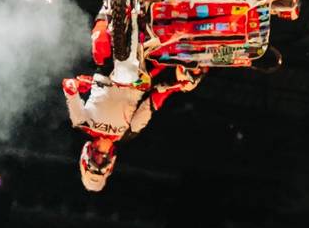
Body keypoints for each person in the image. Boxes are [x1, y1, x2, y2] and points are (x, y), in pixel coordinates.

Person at [63, 63, 205, 192]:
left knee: (100, 40)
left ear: (85, 159)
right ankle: (195, 53)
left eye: (95, 163)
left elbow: (68, 85)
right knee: (185, 75)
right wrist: (177, 86)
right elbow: (151, 104)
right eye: (101, 165)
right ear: (109, 167)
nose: (100, 160)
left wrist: (80, 83)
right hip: (139, 81)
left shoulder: (81, 123)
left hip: (109, 70)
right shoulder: (127, 134)